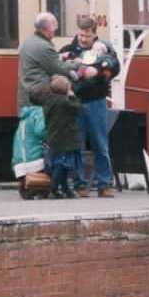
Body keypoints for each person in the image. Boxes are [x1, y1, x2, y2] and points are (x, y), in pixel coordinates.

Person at [61, 17, 119, 198]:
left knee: (100, 144)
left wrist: (100, 71)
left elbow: (115, 67)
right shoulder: (69, 50)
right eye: (80, 34)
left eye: (86, 35)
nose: (82, 38)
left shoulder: (104, 49)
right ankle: (80, 184)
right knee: (76, 145)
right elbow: (57, 65)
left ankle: (104, 184)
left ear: (94, 34)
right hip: (75, 102)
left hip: (96, 101)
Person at [33, 74, 83, 198]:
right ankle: (54, 188)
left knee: (59, 164)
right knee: (63, 165)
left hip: (54, 137)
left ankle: (65, 189)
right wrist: (72, 96)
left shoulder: (49, 101)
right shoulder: (65, 102)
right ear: (65, 89)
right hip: (66, 139)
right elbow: (77, 108)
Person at [17, 12, 72, 111]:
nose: (55, 32)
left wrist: (57, 56)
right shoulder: (44, 46)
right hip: (39, 98)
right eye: (54, 29)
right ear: (47, 29)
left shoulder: (27, 41)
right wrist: (77, 63)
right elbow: (60, 69)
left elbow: (40, 62)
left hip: (25, 97)